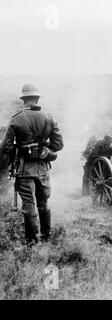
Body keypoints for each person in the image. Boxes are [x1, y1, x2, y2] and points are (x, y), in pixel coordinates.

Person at [0, 84, 63, 246]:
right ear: (37, 99)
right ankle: (46, 237)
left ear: (23, 99)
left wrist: (22, 147)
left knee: (29, 205)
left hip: (24, 169)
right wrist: (42, 147)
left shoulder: (17, 118)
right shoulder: (49, 117)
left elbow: (5, 147)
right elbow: (58, 145)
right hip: (43, 168)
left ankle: (31, 243)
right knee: (43, 203)